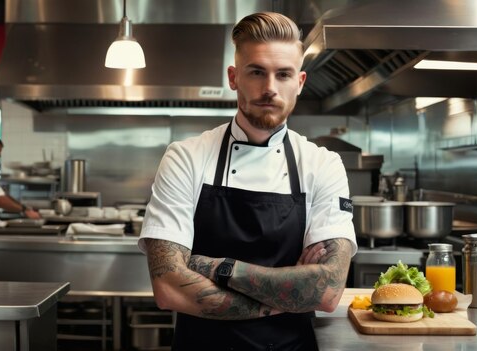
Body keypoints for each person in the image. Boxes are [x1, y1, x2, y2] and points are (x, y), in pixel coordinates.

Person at [138, 12, 357, 350]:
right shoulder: (186, 157)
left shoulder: (322, 164)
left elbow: (326, 291)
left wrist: (218, 268)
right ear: (234, 77)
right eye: (256, 72)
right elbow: (167, 287)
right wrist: (290, 295)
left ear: (299, 82)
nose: (269, 88)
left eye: (282, 74)